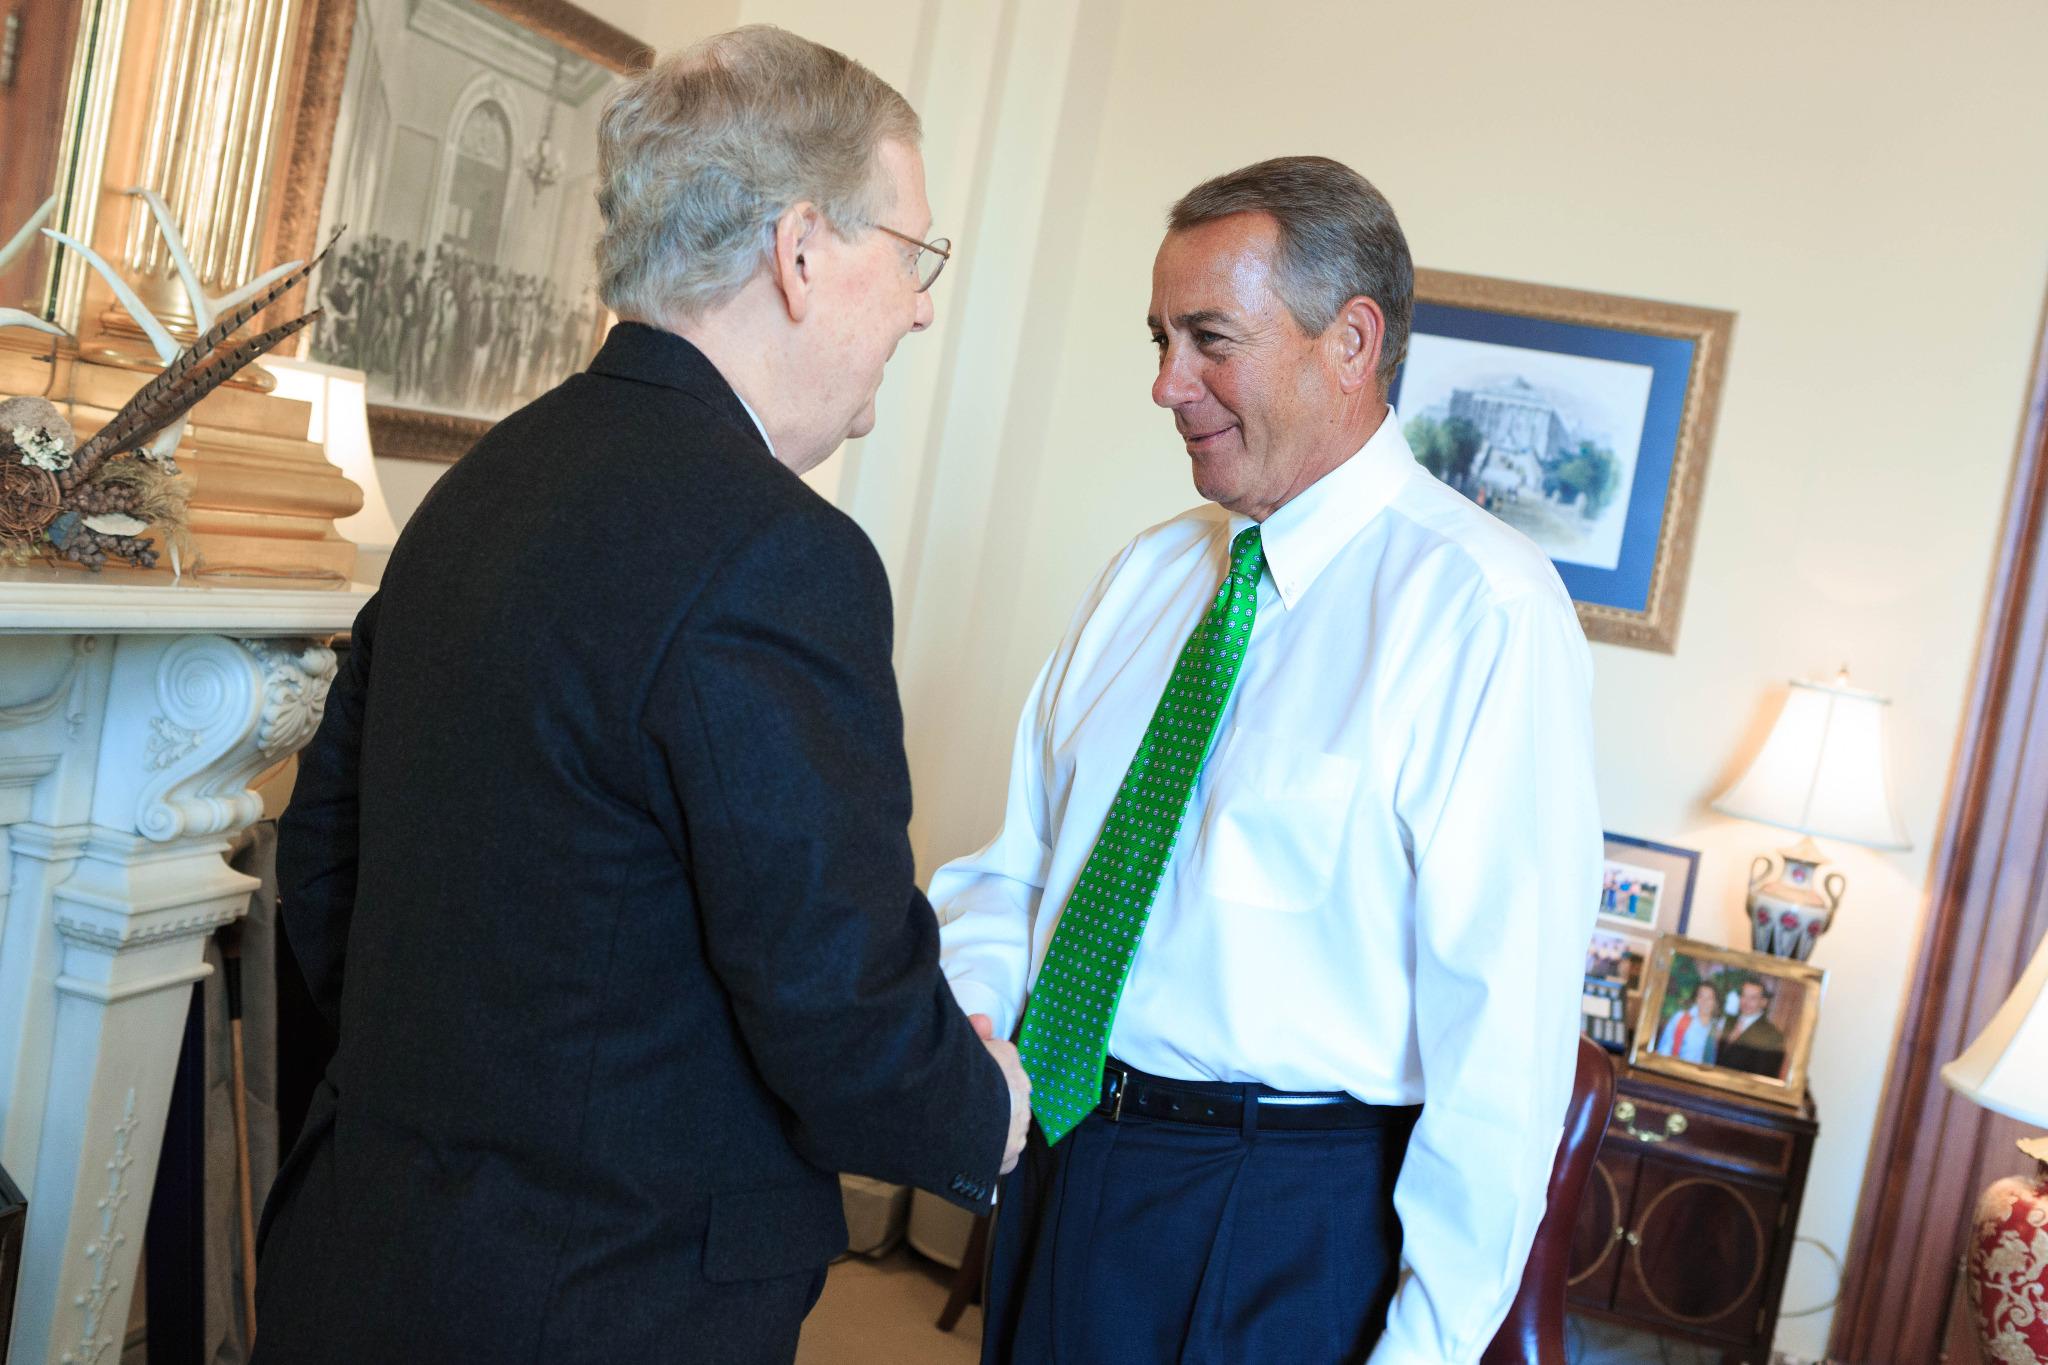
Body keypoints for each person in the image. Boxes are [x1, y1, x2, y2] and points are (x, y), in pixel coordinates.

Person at [253, 27, 1028, 1365]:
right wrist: (976, 1107)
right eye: (915, 256)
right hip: (601, 1302)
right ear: (800, 251)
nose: (920, 305)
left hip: (364, 1251)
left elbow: (323, 865)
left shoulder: (482, 486)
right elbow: (837, 1002)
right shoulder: (780, 555)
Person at [934, 156, 1601, 1364]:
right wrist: (981, 1025)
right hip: (1062, 1158)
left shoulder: (1481, 612)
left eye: (1207, 339)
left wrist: (1424, 1350)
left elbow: (1500, 1048)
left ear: (1350, 341)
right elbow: (1016, 862)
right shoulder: (1146, 575)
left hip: (1279, 1217)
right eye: (1157, 338)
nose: (1163, 384)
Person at [1718, 979, 1789, 1077]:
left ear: (1763, 1002)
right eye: (1743, 996)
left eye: (1753, 998)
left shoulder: (1773, 1035)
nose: (1746, 1002)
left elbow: (1765, 1076)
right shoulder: (1728, 1021)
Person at [1655, 980, 1723, 1066]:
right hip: (1674, 1069)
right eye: (1701, 996)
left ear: (1715, 1002)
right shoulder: (1680, 1017)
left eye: (1709, 998)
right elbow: (1664, 1048)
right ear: (1696, 998)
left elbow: (1711, 1061)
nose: (1704, 1001)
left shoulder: (1716, 1029)